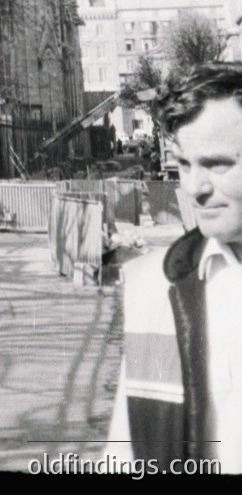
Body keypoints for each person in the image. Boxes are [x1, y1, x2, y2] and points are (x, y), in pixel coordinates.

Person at [109, 63, 242, 472]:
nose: (194, 188)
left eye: (217, 164)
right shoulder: (155, 288)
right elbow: (127, 450)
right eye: (184, 164)